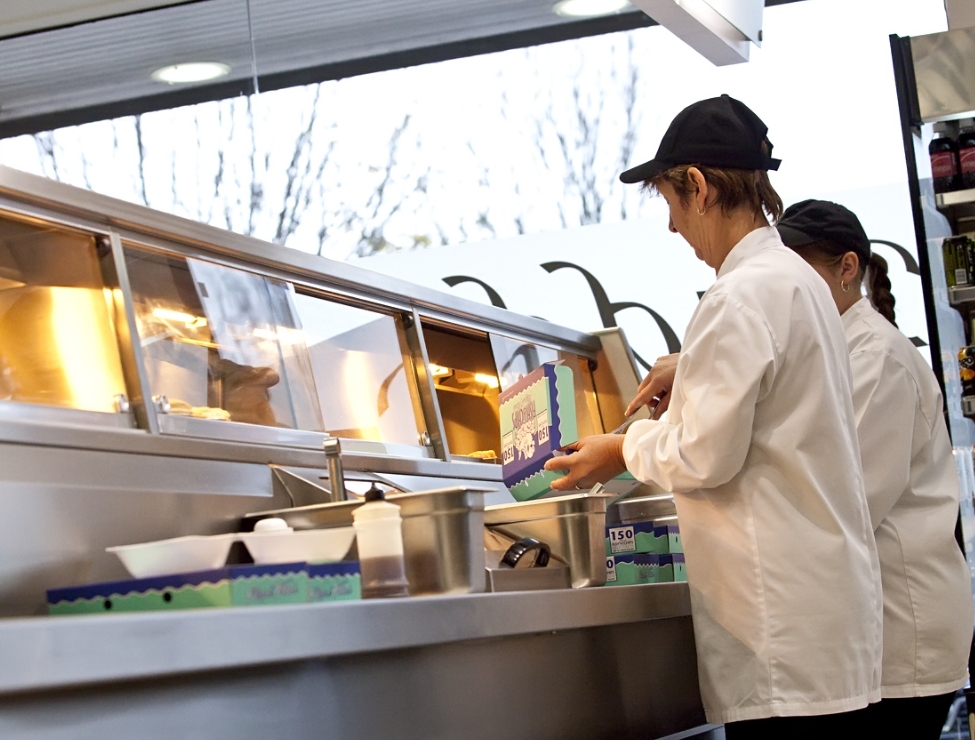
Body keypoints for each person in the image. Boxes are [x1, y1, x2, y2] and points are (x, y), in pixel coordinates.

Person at [544, 95, 882, 737]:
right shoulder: (797, 281)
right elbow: (772, 410)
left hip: (781, 635)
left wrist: (619, 449)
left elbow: (702, 455)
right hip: (823, 621)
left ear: (697, 187)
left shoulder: (739, 294)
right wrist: (694, 371)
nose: (673, 228)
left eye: (671, 205)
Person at [777, 199, 973, 739]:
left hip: (904, 631)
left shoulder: (875, 359)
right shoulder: (833, 351)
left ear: (847, 269)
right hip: (874, 630)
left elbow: (846, 496)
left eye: (803, 272)